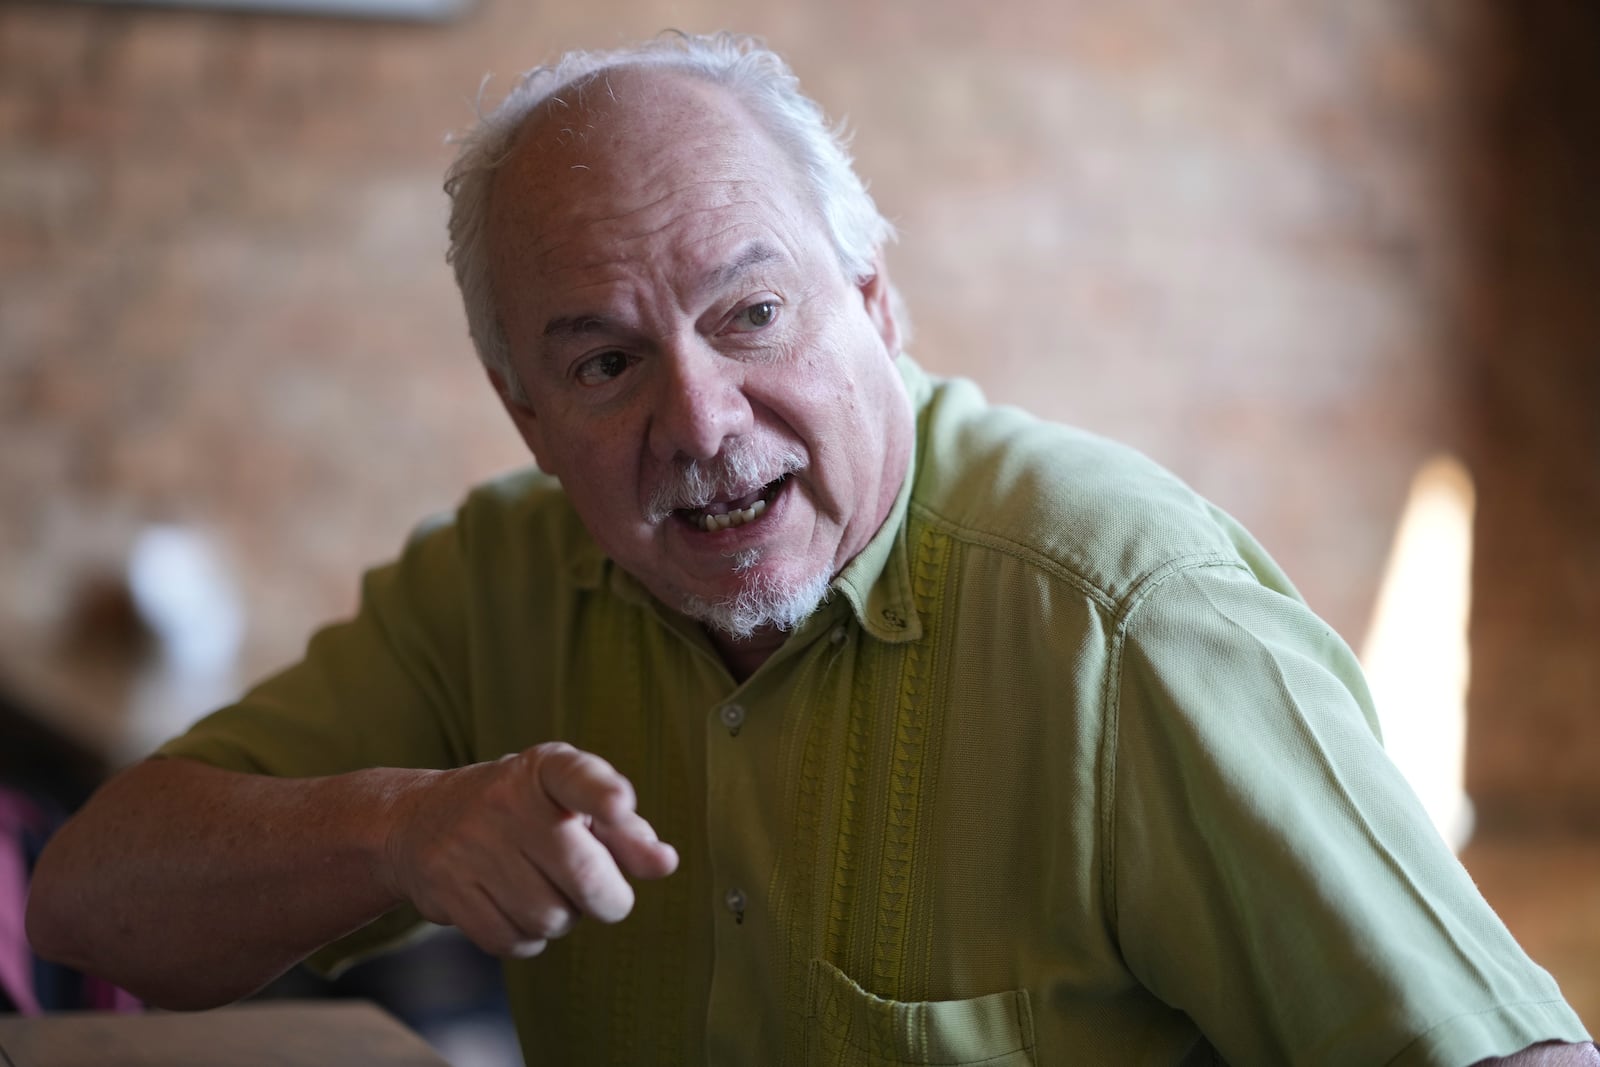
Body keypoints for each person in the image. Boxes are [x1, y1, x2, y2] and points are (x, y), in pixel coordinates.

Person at [25, 31, 1596, 1066]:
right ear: (524, 415)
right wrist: (395, 830)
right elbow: (93, 901)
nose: (702, 422)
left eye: (751, 314)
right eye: (604, 363)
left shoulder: (1124, 617)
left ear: (875, 306)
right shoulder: (500, 578)